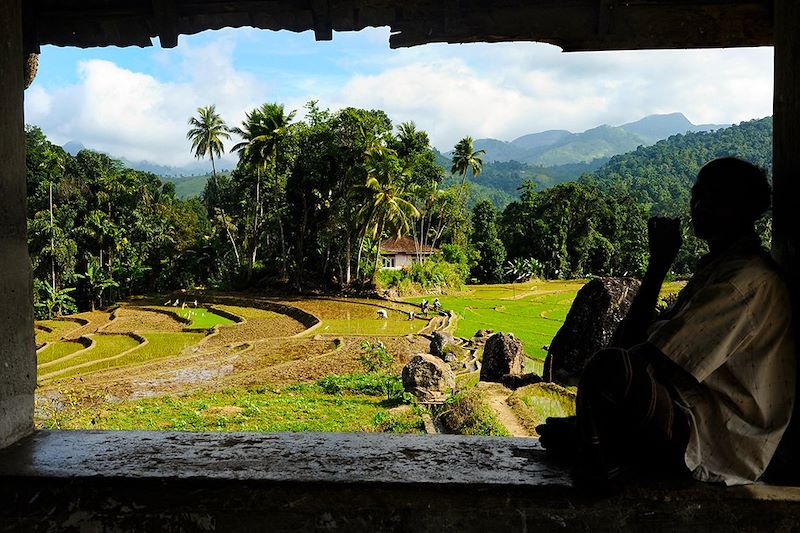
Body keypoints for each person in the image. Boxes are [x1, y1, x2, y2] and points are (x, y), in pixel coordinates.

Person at [538, 157, 795, 487]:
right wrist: (657, 266)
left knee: (611, 369)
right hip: (689, 416)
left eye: (715, 199)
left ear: (743, 209)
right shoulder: (719, 270)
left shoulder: (744, 282)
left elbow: (646, 360)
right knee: (613, 368)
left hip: (715, 440)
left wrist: (586, 423)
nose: (700, 206)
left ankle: (601, 462)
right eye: (697, 195)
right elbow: (633, 344)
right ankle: (605, 450)